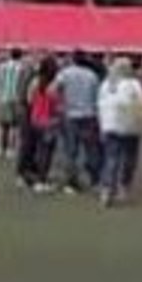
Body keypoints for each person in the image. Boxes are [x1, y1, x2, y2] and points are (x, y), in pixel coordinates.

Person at [97, 57, 142, 207]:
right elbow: (141, 104)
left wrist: (102, 124)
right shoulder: (133, 84)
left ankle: (107, 189)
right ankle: (123, 186)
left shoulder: (106, 84)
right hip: (129, 125)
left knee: (111, 157)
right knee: (129, 157)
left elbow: (100, 105)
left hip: (109, 125)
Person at [54, 50, 103, 193]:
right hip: (88, 114)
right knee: (90, 149)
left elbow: (53, 90)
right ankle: (95, 179)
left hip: (70, 114)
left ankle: (71, 182)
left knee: (71, 149)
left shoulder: (65, 73)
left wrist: (60, 103)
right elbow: (97, 96)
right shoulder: (91, 76)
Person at [24, 55, 60, 193]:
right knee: (47, 152)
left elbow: (29, 100)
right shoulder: (54, 86)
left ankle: (35, 176)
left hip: (35, 119)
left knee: (37, 150)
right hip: (49, 122)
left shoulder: (35, 82)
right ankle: (42, 179)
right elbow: (56, 106)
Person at [0, 49, 25, 159]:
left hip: (2, 98)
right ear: (20, 56)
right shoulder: (21, 68)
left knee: (1, 125)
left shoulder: (2, 67)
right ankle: (10, 150)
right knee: (14, 126)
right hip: (15, 99)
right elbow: (22, 85)